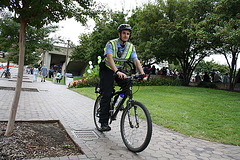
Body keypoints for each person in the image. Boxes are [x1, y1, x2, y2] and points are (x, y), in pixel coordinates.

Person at [99, 24, 147, 132]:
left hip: (118, 69)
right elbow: (109, 58)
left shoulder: (130, 47)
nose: (126, 35)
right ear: (119, 34)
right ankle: (103, 122)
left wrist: (142, 74)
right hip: (107, 69)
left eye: (128, 34)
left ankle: (117, 103)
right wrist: (116, 71)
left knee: (128, 83)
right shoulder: (111, 44)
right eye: (124, 33)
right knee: (107, 93)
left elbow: (136, 60)